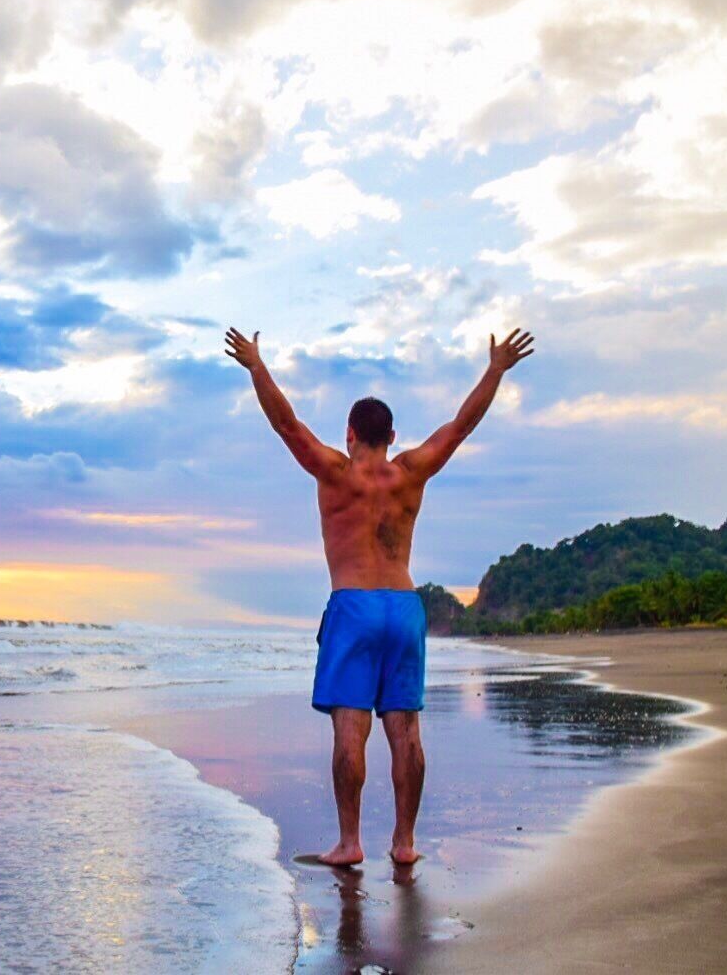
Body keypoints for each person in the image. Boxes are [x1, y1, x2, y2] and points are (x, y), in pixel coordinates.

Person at [223, 325, 535, 866]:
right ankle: (405, 843)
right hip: (403, 605)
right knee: (406, 728)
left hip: (354, 606)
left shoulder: (334, 472)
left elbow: (285, 423)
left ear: (349, 434)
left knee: (351, 728)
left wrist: (256, 366)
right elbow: (461, 427)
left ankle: (349, 843)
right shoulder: (410, 472)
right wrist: (495, 370)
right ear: (392, 436)